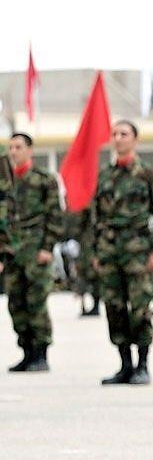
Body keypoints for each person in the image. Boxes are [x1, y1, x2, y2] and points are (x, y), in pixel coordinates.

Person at [92, 120, 153, 385]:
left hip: (139, 252)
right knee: (114, 308)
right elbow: (96, 216)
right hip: (109, 252)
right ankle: (124, 364)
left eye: (124, 134)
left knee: (140, 309)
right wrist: (96, 251)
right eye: (114, 134)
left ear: (135, 140)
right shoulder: (105, 175)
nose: (118, 138)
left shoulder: (149, 176)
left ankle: (143, 364)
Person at [3, 133, 64, 372]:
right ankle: (26, 352)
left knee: (36, 302)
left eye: (18, 147)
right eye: (10, 147)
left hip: (36, 249)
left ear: (30, 150)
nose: (13, 152)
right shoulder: (5, 182)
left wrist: (48, 247)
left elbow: (55, 216)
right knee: (16, 303)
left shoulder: (44, 179)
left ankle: (41, 353)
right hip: (12, 252)